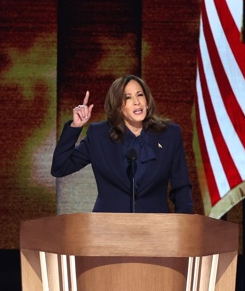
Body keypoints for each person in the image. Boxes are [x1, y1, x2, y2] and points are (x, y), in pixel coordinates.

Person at [52, 75, 193, 214]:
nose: (137, 102)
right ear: (118, 106)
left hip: (155, 230)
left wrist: (184, 227)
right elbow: (60, 167)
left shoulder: (169, 134)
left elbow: (181, 188)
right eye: (128, 97)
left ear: (147, 101)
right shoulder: (99, 135)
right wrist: (75, 126)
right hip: (109, 230)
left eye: (140, 95)